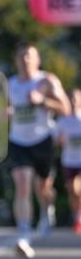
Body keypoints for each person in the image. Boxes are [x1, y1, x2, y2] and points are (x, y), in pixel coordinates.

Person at [7, 43, 70, 258]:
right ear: (15, 61)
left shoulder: (47, 81)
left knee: (43, 188)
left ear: (37, 60)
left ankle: (46, 208)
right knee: (22, 185)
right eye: (21, 56)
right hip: (18, 142)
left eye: (29, 56)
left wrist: (42, 100)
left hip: (42, 140)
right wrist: (4, 112)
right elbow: (2, 109)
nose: (25, 60)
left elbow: (65, 108)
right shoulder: (11, 84)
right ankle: (23, 235)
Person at [54, 87, 81, 234]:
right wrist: (60, 140)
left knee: (78, 187)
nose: (73, 101)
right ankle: (77, 217)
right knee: (72, 191)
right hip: (69, 160)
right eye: (71, 98)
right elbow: (56, 141)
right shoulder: (63, 121)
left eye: (76, 98)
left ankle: (79, 218)